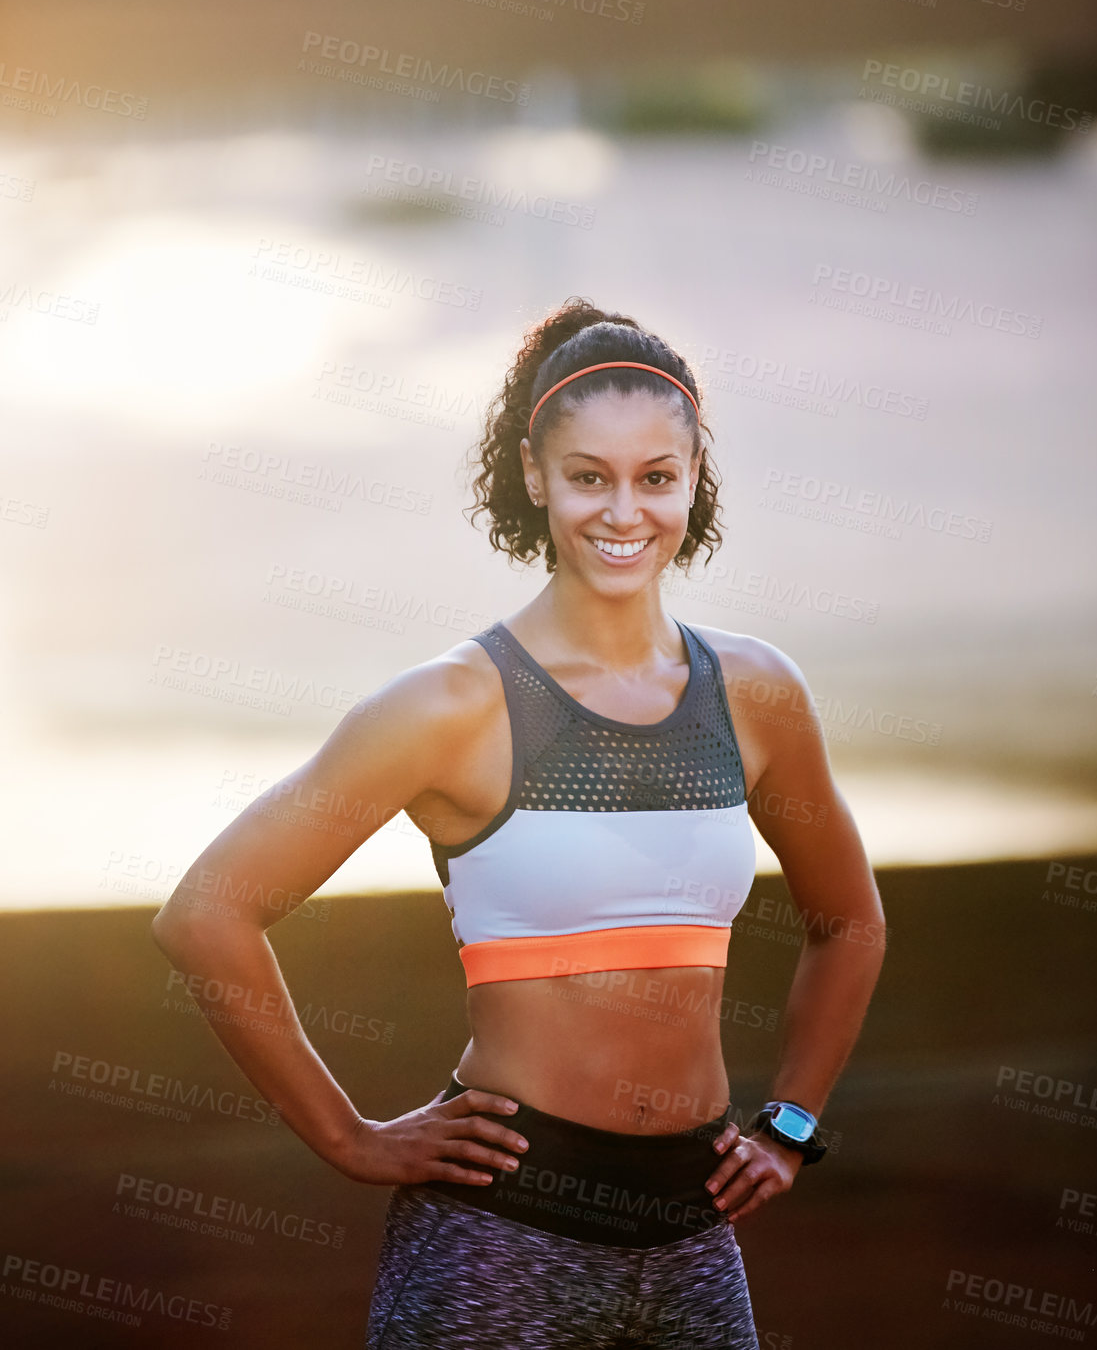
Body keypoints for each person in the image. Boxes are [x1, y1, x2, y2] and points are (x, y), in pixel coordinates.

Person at [152, 295, 886, 1349]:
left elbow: (847, 921)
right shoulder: (448, 705)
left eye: (655, 477)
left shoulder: (756, 693)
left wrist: (792, 1124)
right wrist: (349, 1138)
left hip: (691, 1238)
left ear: (692, 481)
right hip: (495, 1241)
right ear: (536, 477)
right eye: (588, 476)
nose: (622, 511)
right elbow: (207, 915)